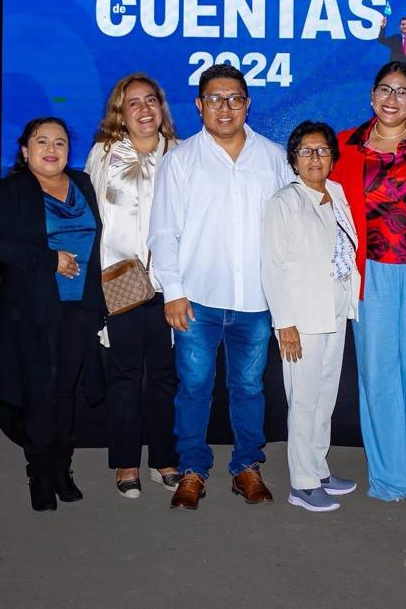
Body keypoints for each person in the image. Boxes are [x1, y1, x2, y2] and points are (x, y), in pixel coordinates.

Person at [148, 63, 292, 510]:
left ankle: (246, 466)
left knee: (249, 389)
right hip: (197, 300)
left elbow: (289, 226)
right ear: (199, 105)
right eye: (215, 99)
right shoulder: (180, 160)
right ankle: (192, 469)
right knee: (194, 389)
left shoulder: (273, 158)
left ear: (248, 104)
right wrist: (173, 290)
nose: (225, 107)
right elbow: (163, 232)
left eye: (234, 99)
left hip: (256, 300)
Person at [332, 62, 406, 500]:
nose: (392, 98)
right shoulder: (344, 145)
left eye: (402, 92)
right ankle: (387, 476)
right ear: (371, 95)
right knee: (378, 375)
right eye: (384, 89)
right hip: (371, 275)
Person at [0, 117, 106, 512]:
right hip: (35, 309)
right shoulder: (13, 190)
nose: (51, 149)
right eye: (42, 141)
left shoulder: (84, 184)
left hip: (82, 308)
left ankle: (61, 467)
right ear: (25, 149)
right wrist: (50, 259)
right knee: (40, 391)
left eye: (60, 142)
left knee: (66, 392)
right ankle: (39, 472)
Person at [86, 73, 181, 499]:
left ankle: (164, 459)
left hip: (169, 283)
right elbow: (91, 219)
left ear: (162, 107)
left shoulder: (181, 154)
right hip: (119, 284)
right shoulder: (104, 154)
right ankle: (126, 462)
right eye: (133, 103)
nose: (144, 109)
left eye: (151, 100)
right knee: (123, 376)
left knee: (164, 376)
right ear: (120, 114)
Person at [262, 121, 361, 513]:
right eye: (306, 151)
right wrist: (284, 322)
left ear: (333, 158)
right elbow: (272, 266)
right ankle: (302, 484)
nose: (315, 158)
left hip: (335, 309)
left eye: (322, 151)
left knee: (325, 397)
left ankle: (318, 469)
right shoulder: (283, 202)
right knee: (303, 400)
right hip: (301, 318)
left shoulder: (336, 193)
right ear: (293, 160)